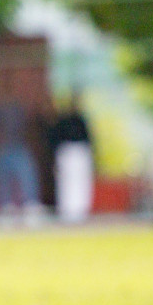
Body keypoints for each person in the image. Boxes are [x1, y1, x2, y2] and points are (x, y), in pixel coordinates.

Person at [0, 98, 41, 224]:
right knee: (4, 181)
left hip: (19, 146)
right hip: (5, 148)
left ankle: (31, 207)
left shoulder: (21, 110)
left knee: (27, 178)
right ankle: (6, 210)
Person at [48, 94, 93, 224]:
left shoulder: (81, 119)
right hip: (66, 152)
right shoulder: (63, 121)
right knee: (66, 182)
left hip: (80, 151)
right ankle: (68, 211)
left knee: (81, 182)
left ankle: (80, 211)